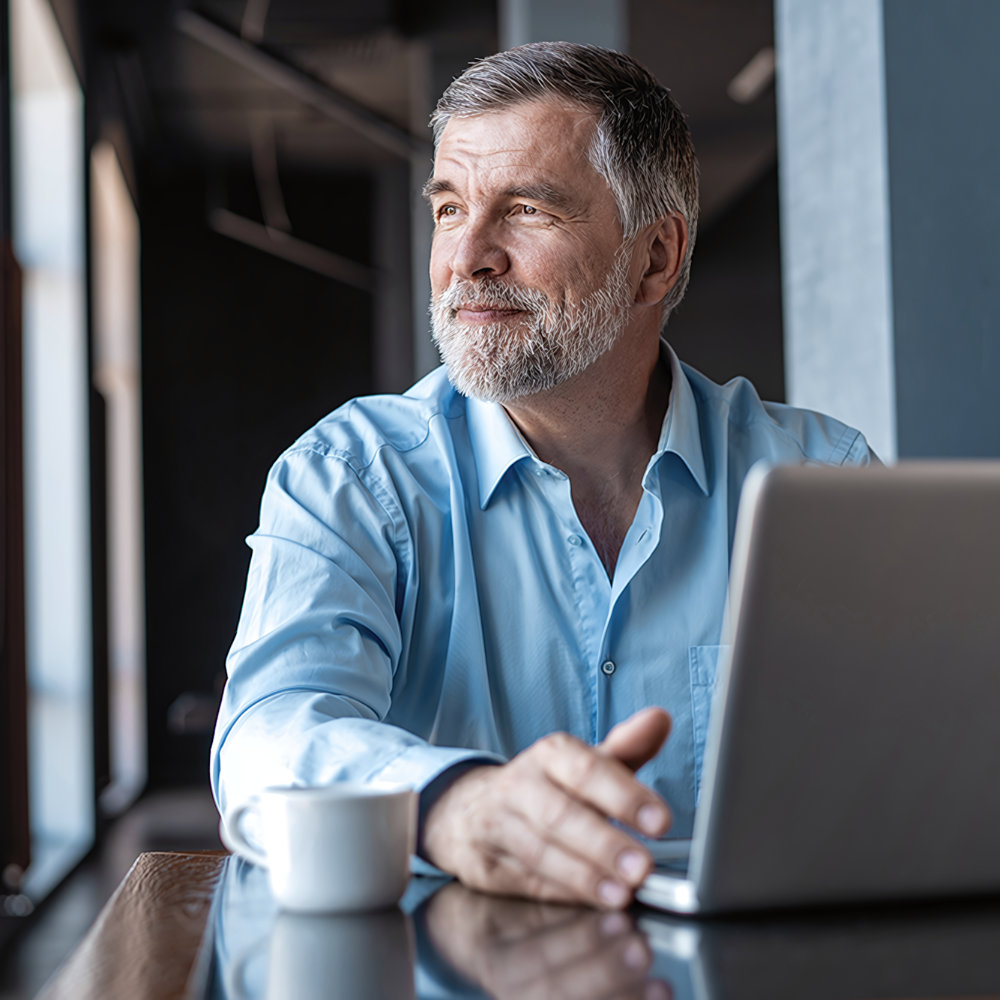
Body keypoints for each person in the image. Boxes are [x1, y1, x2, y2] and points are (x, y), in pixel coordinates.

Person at [211, 41, 876, 910]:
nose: (469, 257)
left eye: (525, 210)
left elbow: (913, 759)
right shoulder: (351, 477)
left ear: (655, 258)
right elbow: (267, 736)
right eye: (450, 210)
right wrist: (453, 803)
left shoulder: (821, 483)